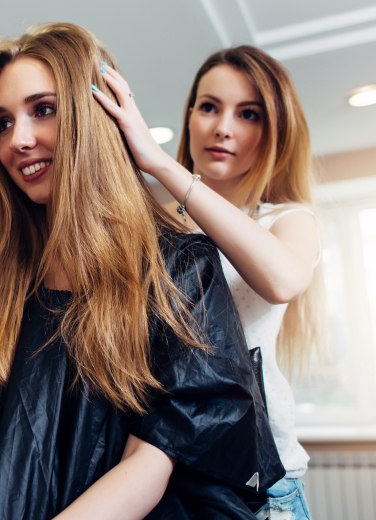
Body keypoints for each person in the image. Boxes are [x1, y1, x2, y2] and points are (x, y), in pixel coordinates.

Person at [0, 23, 283, 519]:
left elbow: (157, 459)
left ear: (93, 117)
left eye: (44, 110)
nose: (19, 140)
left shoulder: (178, 269)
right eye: (2, 123)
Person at [93, 45, 320, 519]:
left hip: (258, 484)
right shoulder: (146, 211)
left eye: (249, 114)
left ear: (275, 128)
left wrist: (158, 163)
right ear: (190, 115)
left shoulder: (287, 221)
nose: (223, 127)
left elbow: (282, 280)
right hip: (156, 475)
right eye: (210, 107)